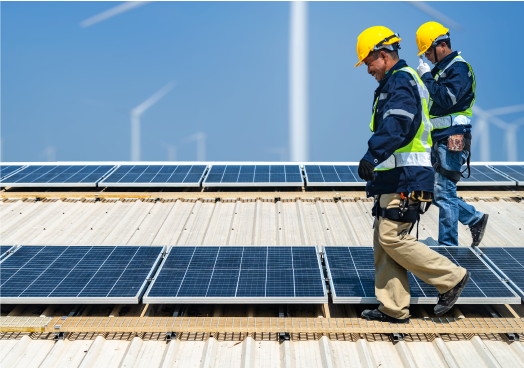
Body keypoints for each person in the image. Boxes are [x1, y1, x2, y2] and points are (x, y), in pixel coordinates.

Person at [355, 26, 470, 322]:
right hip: (393, 178)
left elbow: (397, 124)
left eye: (368, 62)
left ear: (382, 55)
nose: (368, 70)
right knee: (384, 239)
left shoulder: (401, 82)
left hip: (407, 176)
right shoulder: (397, 82)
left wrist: (372, 155)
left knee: (393, 237)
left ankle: (451, 277)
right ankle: (393, 307)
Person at [416, 21, 488, 247]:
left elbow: (447, 98)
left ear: (442, 45)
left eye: (428, 50)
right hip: (440, 139)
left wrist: (426, 78)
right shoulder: (442, 71)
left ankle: (448, 249)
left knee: (444, 192)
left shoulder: (458, 68)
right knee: (437, 192)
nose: (426, 56)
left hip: (452, 138)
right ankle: (474, 218)